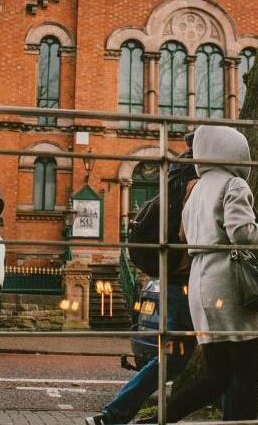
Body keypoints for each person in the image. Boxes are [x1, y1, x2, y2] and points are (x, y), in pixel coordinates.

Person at [164, 125, 258, 422]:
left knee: (218, 375)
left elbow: (186, 234)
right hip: (228, 283)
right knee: (249, 372)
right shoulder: (233, 184)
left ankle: (162, 418)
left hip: (200, 281)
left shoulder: (196, 189)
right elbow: (241, 232)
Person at [85, 135, 197, 425]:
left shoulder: (172, 180)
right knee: (223, 355)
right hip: (193, 286)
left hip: (172, 283)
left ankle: (117, 416)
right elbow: (190, 236)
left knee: (176, 358)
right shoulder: (195, 184)